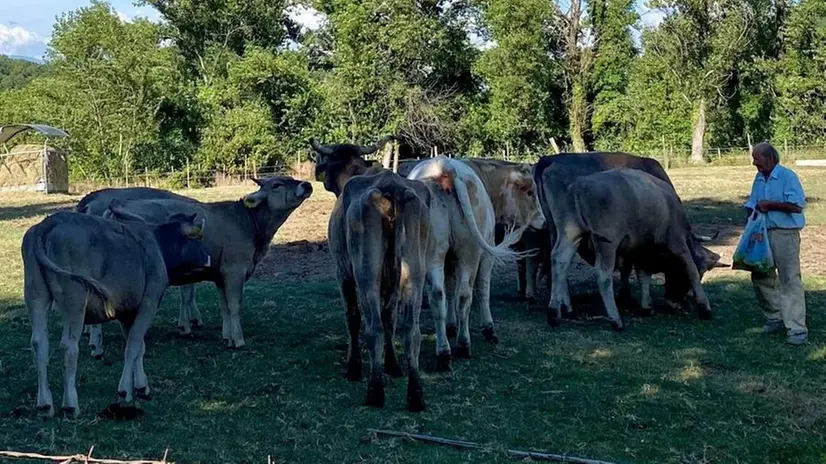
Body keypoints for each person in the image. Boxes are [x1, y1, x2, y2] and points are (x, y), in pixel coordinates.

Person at [744, 142, 808, 346]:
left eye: (757, 158)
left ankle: (796, 329)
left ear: (771, 158)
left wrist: (770, 205)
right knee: (761, 274)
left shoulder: (788, 177)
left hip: (784, 234)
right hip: (762, 233)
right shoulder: (759, 178)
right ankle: (774, 316)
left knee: (789, 278)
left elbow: (797, 206)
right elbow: (753, 203)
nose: (754, 163)